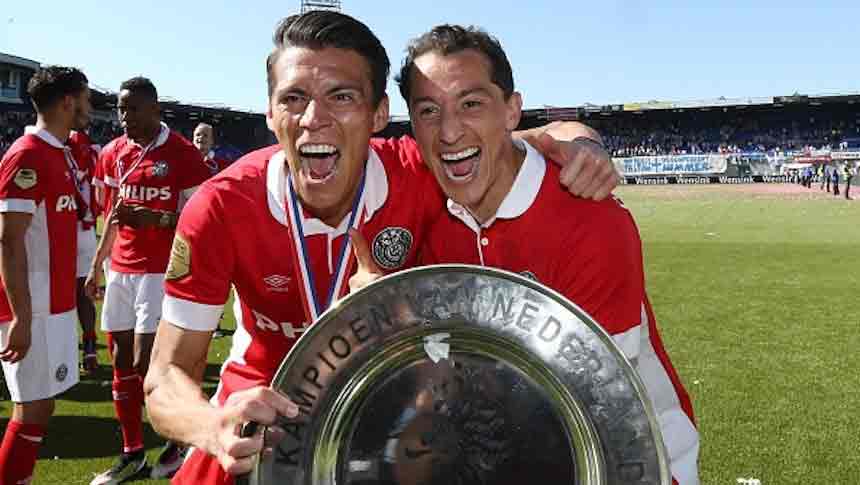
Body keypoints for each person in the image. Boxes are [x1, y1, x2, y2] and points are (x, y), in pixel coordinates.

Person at [142, 11, 617, 485]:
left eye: (341, 97)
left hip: (379, 424)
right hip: (257, 424)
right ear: (270, 112)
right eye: (294, 98)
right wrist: (212, 426)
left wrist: (582, 141)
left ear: (379, 114)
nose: (314, 119)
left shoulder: (419, 173)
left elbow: (504, 141)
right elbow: (164, 378)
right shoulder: (221, 206)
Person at [380, 24, 699, 484]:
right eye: (429, 110)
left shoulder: (589, 221)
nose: (449, 131)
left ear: (511, 110)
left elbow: (603, 405)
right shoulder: (424, 199)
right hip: (506, 447)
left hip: (633, 455)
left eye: (472, 104)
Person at [85, 77, 211, 484]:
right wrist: (96, 263)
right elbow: (113, 215)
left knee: (146, 363)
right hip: (119, 269)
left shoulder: (184, 155)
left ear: (156, 111)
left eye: (133, 109)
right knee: (120, 363)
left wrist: (156, 219)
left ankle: (175, 442)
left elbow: (198, 225)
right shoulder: (111, 154)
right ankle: (132, 452)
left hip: (160, 272)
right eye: (121, 109)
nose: (125, 117)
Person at [0, 66, 91, 485]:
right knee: (31, 407)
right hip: (30, 307)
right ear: (68, 101)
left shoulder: (60, 151)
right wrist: (19, 316)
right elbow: (8, 240)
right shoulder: (27, 154)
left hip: (51, 304)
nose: (90, 108)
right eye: (86, 99)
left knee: (42, 406)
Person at [67, 129, 100, 373]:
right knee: (83, 293)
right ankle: (89, 347)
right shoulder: (96, 153)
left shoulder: (56, 152)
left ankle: (65, 350)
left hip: (62, 229)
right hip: (86, 231)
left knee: (59, 294)